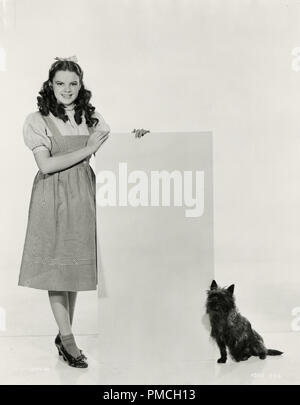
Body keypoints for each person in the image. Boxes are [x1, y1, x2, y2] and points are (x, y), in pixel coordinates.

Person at [18, 56, 149, 368]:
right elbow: (46, 165)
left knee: (73, 269)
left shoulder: (89, 117)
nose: (67, 89)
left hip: (83, 196)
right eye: (60, 83)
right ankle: (67, 338)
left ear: (81, 85)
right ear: (50, 85)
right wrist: (88, 150)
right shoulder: (37, 120)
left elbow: (111, 145)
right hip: (51, 196)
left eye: (73, 83)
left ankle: (64, 335)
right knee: (56, 269)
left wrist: (137, 138)